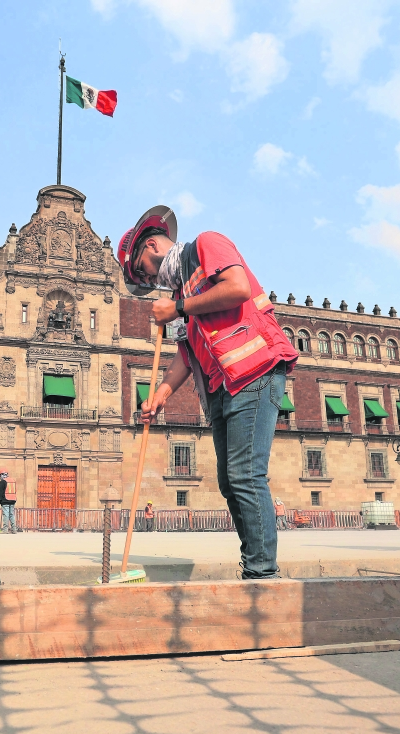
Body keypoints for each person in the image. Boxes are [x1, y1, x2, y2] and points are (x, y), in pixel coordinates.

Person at [121, 205, 299, 579]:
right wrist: (160, 396)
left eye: (141, 270)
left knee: (246, 474)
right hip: (221, 387)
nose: (147, 280)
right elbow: (186, 355)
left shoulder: (206, 245)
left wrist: (180, 307)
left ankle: (262, 574)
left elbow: (237, 288)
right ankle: (255, 565)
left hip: (256, 370)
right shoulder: (178, 290)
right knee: (230, 480)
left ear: (151, 244)